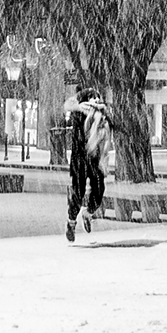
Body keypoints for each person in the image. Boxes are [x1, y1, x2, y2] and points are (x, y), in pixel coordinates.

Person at [65, 87, 110, 242]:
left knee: (99, 190)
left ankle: (88, 213)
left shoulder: (102, 117)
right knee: (78, 192)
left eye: (97, 97)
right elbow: (69, 105)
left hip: (95, 160)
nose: (96, 100)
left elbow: (115, 125)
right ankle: (71, 223)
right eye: (92, 97)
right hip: (79, 160)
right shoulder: (78, 114)